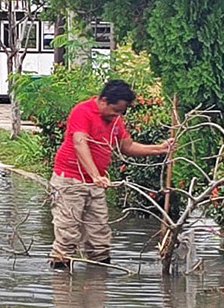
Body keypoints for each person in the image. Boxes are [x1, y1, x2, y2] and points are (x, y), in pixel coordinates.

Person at [49, 79, 173, 268]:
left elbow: (127, 146)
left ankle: (98, 287)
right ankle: (63, 290)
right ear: (104, 101)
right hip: (70, 181)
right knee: (67, 236)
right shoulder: (82, 111)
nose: (118, 115)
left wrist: (159, 149)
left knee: (100, 240)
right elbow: (79, 143)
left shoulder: (115, 120)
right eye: (116, 110)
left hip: (96, 184)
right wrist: (95, 175)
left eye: (121, 112)